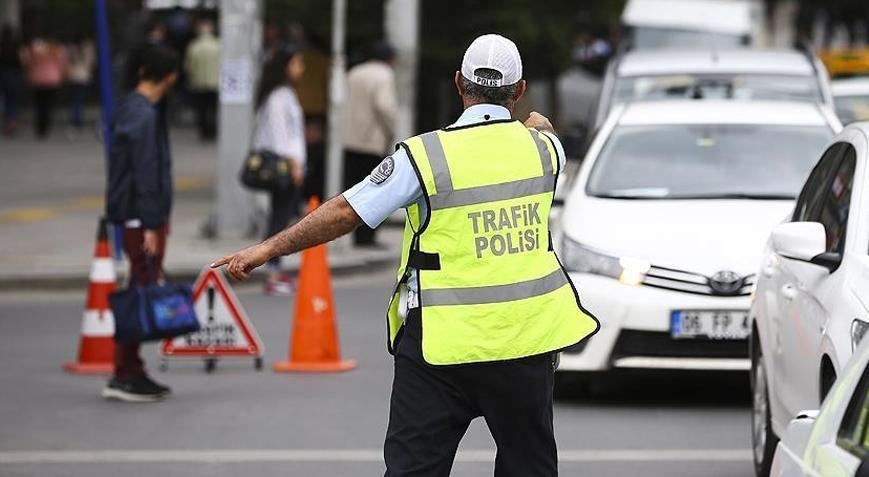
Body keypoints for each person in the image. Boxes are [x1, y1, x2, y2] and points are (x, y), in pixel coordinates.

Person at [213, 34, 599, 476]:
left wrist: (267, 248)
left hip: (440, 346)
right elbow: (544, 133)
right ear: (520, 89)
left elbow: (345, 211)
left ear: (459, 83)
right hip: (524, 343)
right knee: (529, 467)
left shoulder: (425, 156)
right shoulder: (546, 150)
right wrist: (538, 126)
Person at [103, 46, 178, 402]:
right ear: (171, 77)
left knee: (140, 287)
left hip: (137, 216)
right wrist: (151, 223)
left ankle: (130, 369)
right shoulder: (143, 115)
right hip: (140, 219)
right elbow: (146, 172)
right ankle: (125, 372)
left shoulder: (133, 108)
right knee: (140, 291)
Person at [251, 45, 306, 295]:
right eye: (297, 63)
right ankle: (272, 272)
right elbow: (280, 136)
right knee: (279, 218)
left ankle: (274, 268)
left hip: (290, 165)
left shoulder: (285, 94)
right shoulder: (277, 97)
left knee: (281, 216)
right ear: (285, 66)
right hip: (284, 167)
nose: (300, 68)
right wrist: (294, 165)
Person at [341, 41, 398, 247]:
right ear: (391, 59)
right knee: (374, 191)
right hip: (372, 142)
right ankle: (367, 238)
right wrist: (391, 129)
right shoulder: (384, 75)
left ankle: (355, 235)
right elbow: (384, 105)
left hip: (349, 139)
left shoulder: (354, 73)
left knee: (353, 190)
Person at [21, 35, 67, 139]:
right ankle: (45, 127)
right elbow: (62, 64)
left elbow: (27, 62)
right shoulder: (57, 49)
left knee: (39, 105)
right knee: (48, 105)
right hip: (52, 79)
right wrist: (62, 76)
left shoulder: (34, 49)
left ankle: (40, 128)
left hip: (37, 79)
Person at [184, 19, 220, 141]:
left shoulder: (194, 46)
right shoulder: (218, 45)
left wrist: (192, 78)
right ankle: (213, 130)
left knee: (202, 109)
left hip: (199, 82)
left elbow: (189, 65)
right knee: (214, 108)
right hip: (216, 82)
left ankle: (204, 131)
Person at [66, 36, 95, 131]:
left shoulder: (71, 50)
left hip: (73, 76)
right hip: (83, 77)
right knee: (79, 100)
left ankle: (75, 119)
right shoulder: (87, 50)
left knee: (75, 99)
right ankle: (78, 119)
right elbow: (91, 63)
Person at [0, 24, 23, 136]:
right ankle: (11, 123)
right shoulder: (16, 47)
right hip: (14, 76)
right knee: (13, 101)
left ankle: (6, 122)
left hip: (3, 75)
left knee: (5, 101)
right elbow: (22, 62)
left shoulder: (2, 46)